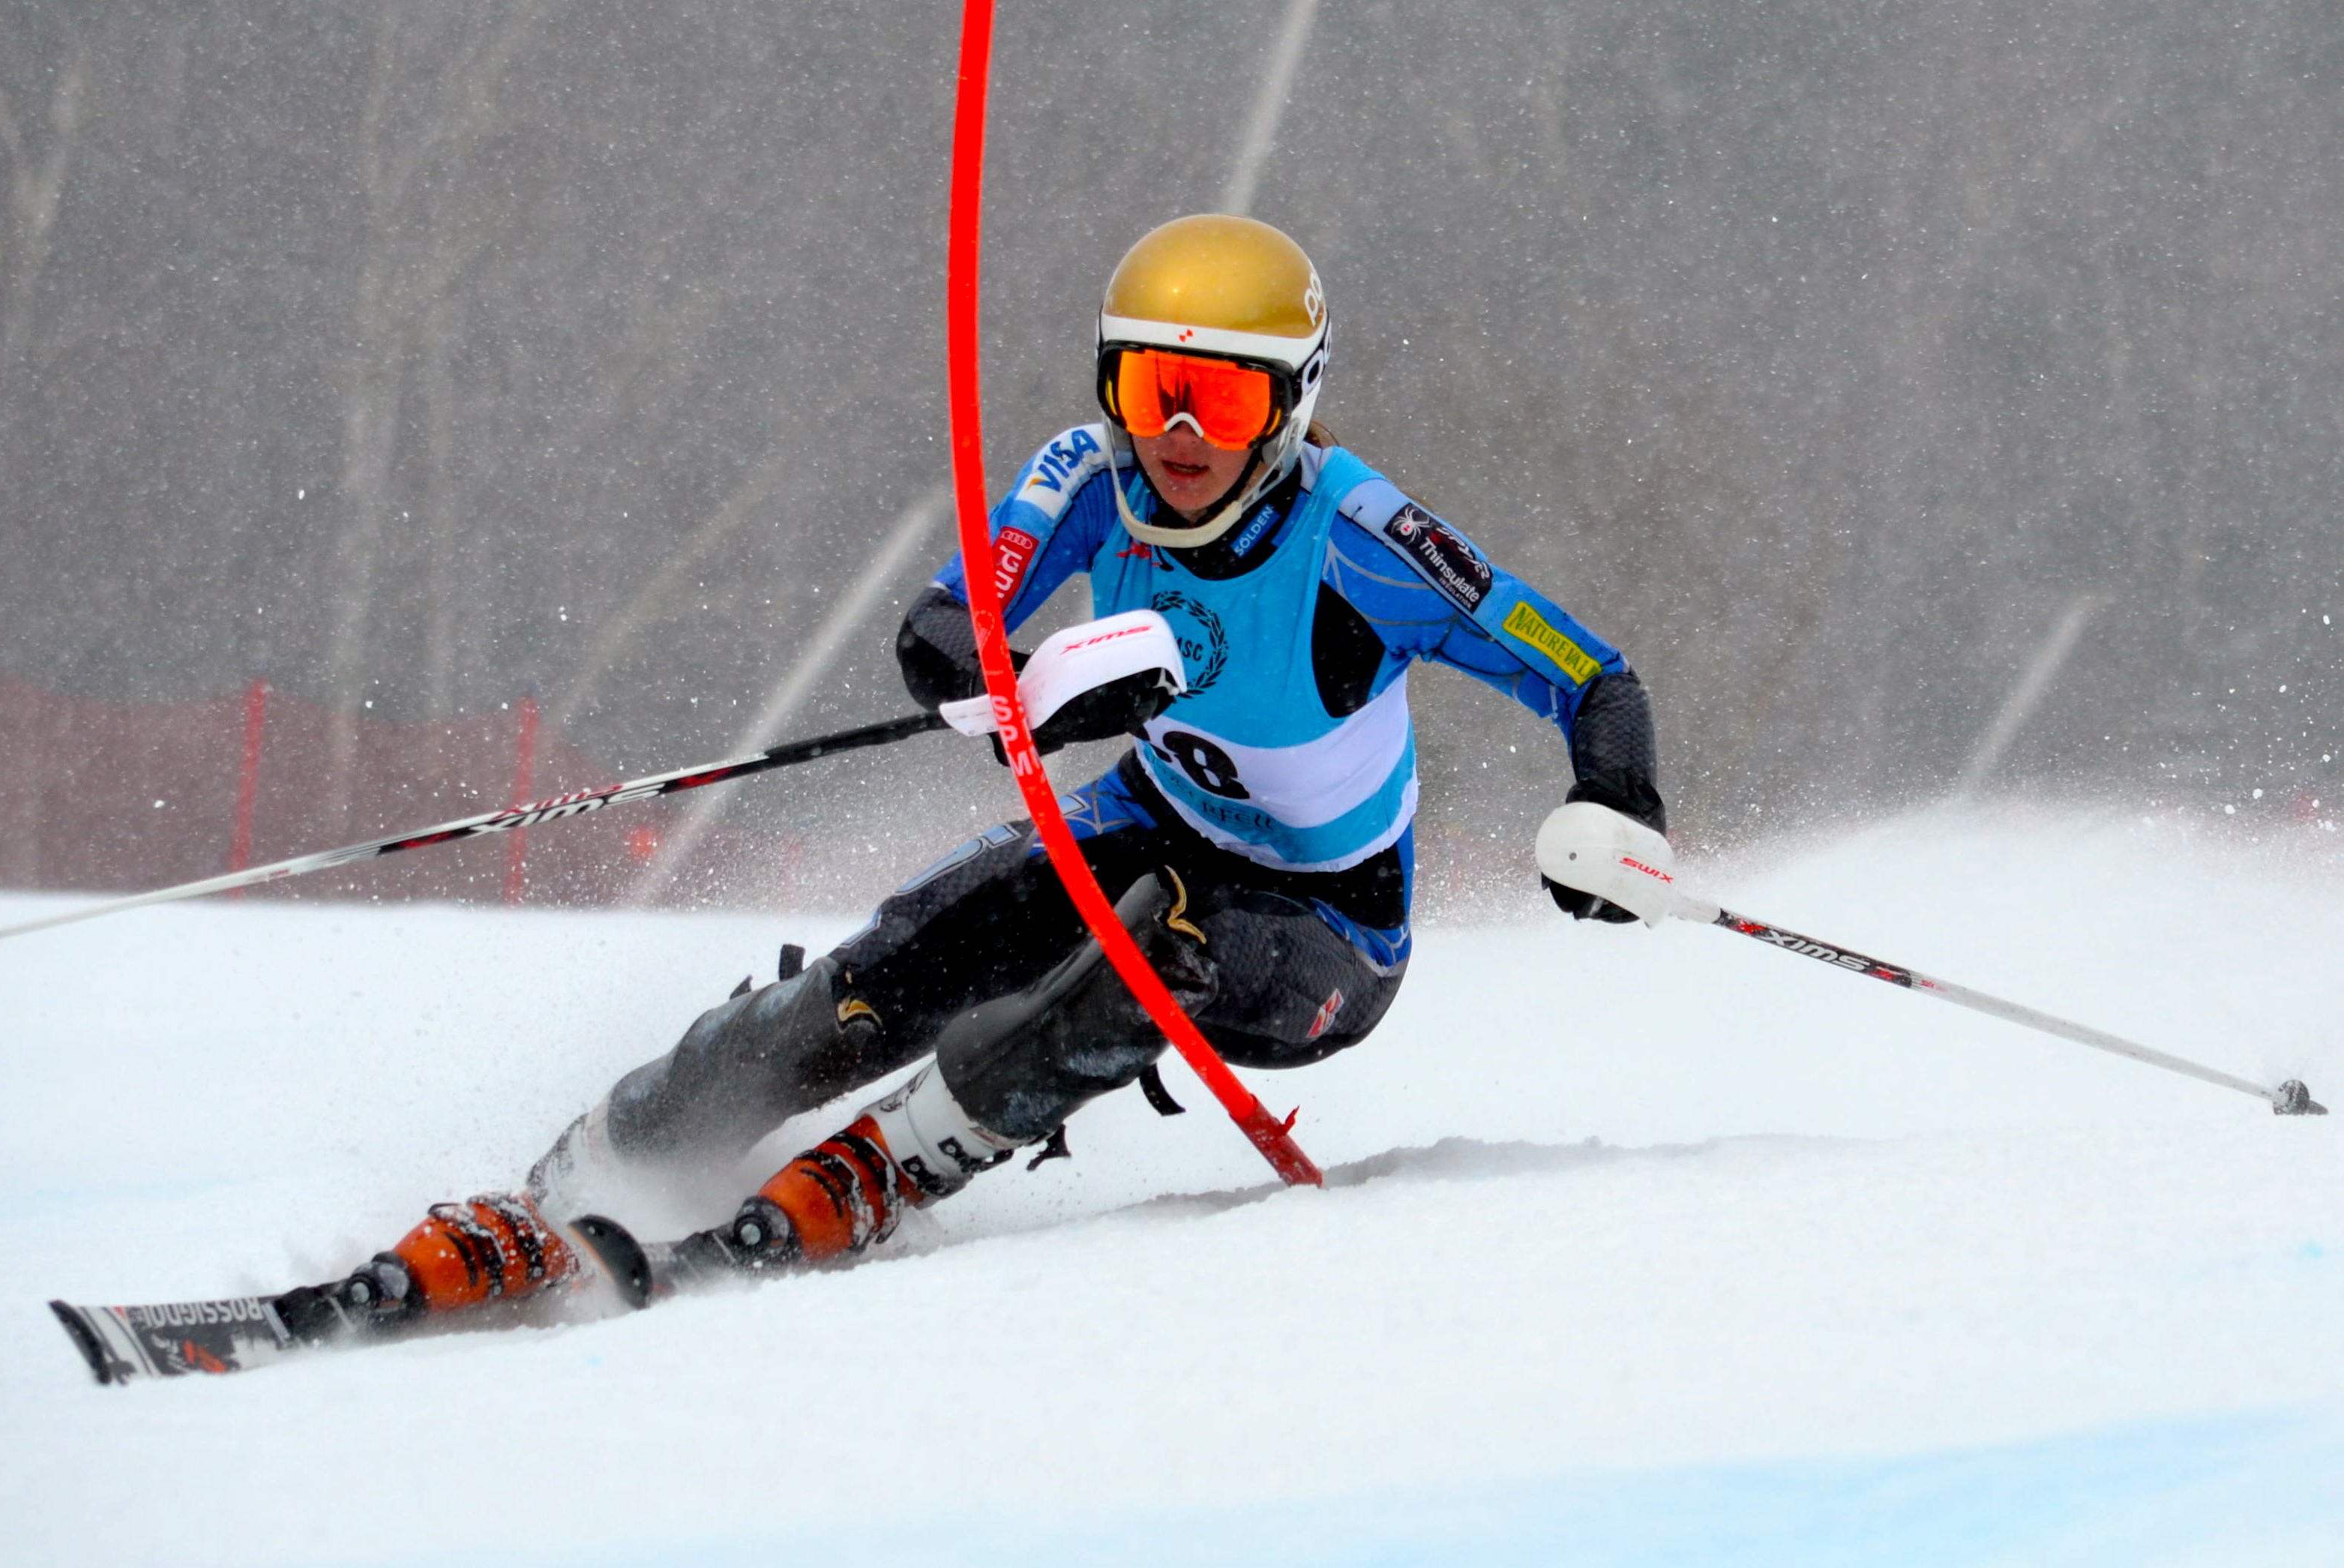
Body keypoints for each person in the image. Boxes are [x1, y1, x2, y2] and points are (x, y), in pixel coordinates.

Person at [273, 214, 1665, 1341]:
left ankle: (886, 1169)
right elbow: (946, 631)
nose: (1178, 435)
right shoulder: (1080, 476)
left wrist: (1614, 805)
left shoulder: (1366, 539)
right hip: (1139, 831)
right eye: (1148, 387)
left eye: (1223, 394)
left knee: (1144, 954)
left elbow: (1592, 675)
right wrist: (1013, 691)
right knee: (886, 969)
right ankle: (584, 1178)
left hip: (1322, 933)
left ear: (1290, 405)